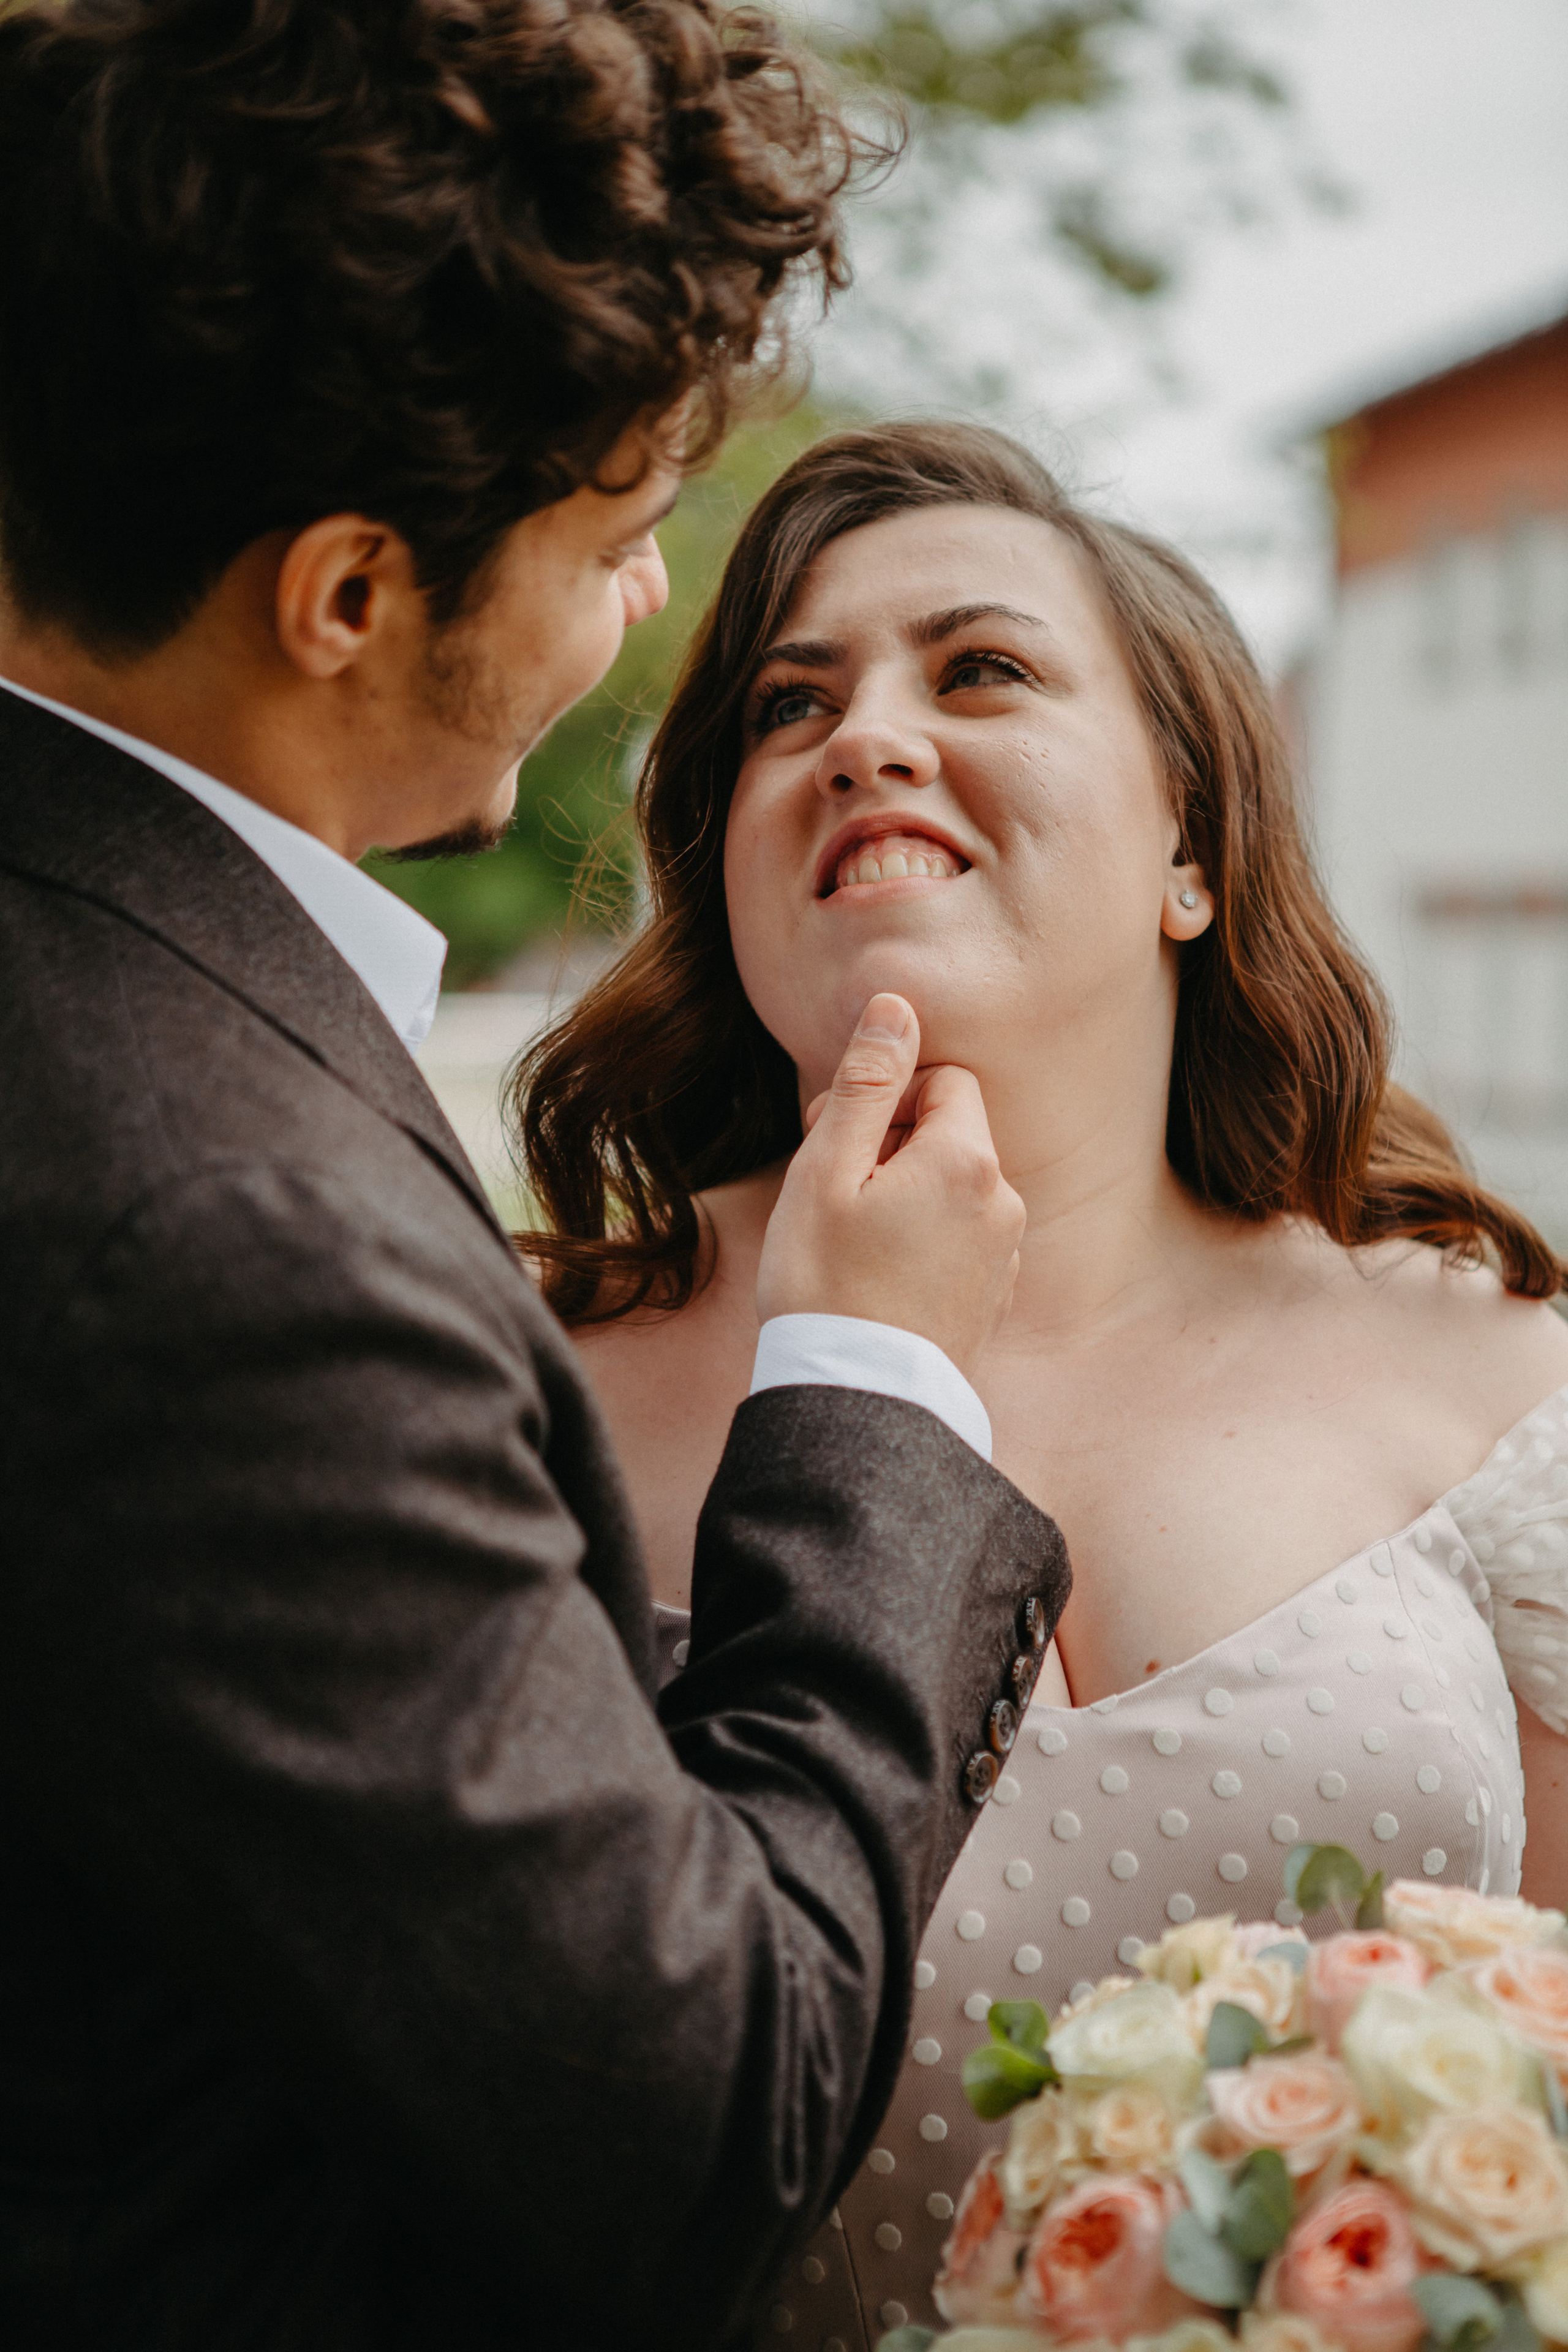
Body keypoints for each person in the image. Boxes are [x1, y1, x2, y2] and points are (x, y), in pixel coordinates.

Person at [0, 13, 1076, 2346]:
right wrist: (873, 1382)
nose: (649, 610)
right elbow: (689, 2133)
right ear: (354, 594)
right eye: (613, 536)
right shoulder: (231, 1228)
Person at [513, 418, 1568, 2343]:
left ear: (1190, 845)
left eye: (980, 668)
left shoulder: (1499, 1390)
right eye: (785, 705)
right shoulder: (514, 1396)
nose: (864, 736)